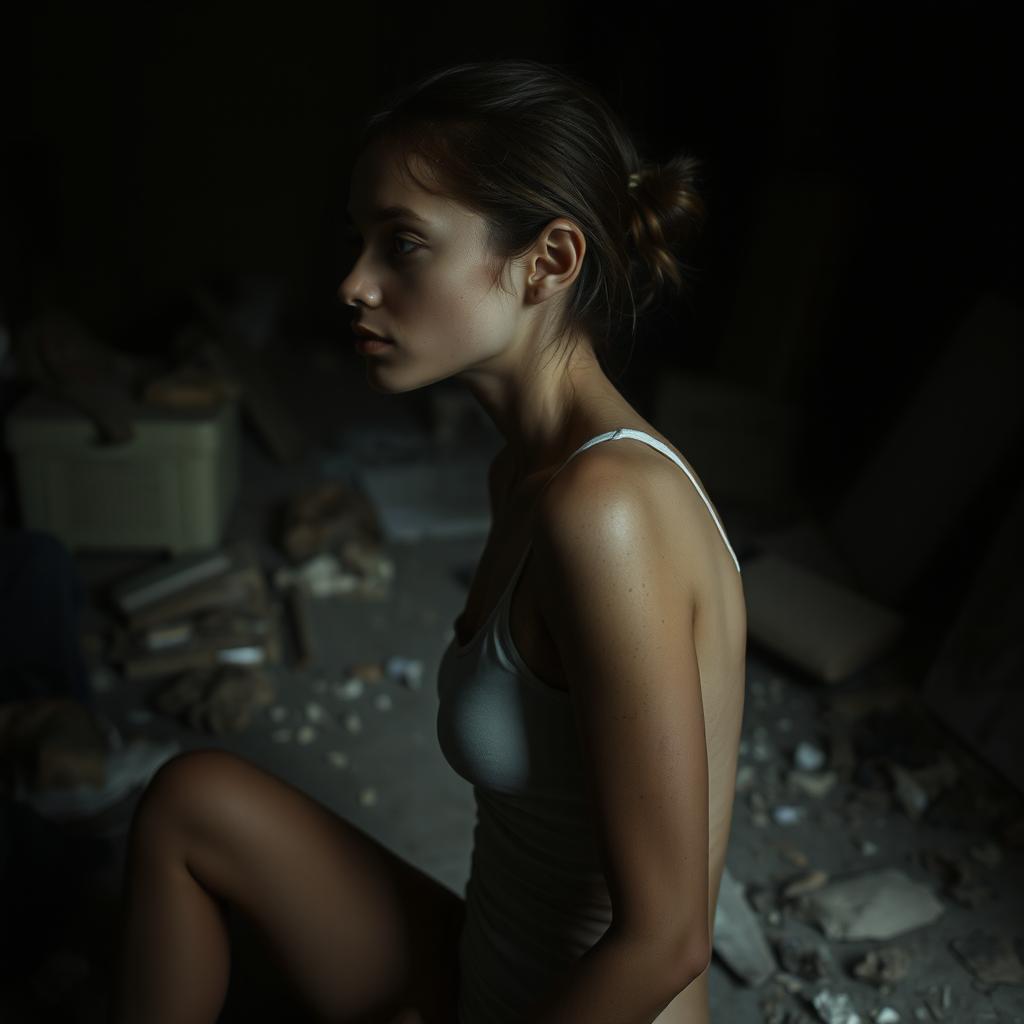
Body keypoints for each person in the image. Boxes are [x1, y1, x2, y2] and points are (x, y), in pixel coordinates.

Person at [107, 58, 747, 1024]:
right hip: (484, 973)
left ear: (550, 260)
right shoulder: (523, 474)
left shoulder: (611, 509)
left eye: (402, 243)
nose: (354, 285)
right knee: (192, 800)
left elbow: (668, 941)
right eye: (359, 239)